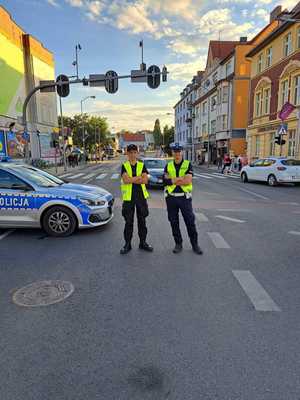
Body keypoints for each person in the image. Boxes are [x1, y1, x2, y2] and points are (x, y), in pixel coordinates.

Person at [163, 143, 203, 255]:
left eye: (179, 151)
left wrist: (173, 179)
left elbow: (187, 181)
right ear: (172, 153)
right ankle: (178, 243)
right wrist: (180, 179)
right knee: (173, 222)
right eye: (175, 151)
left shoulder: (188, 164)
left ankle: (195, 245)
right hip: (171, 198)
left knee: (190, 222)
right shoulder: (168, 165)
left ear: (181, 152)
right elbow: (165, 181)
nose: (177, 154)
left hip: (184, 198)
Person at [120, 144, 153, 255]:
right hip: (129, 198)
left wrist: (132, 179)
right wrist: (138, 177)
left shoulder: (141, 165)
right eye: (131, 152)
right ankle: (127, 244)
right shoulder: (124, 166)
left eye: (135, 152)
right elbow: (126, 180)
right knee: (128, 222)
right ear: (127, 154)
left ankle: (143, 243)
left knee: (142, 221)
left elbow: (145, 181)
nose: (133, 154)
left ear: (137, 153)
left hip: (140, 197)